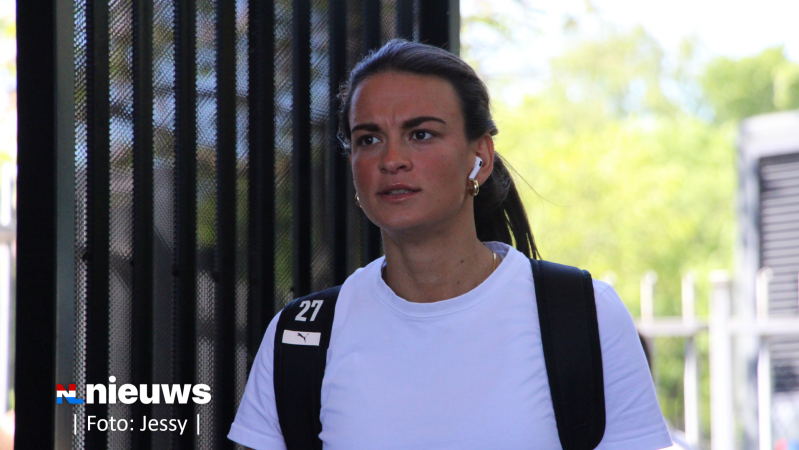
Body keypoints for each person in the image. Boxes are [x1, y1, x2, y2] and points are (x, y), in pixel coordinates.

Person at [228, 39, 673, 449]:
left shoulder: (584, 314)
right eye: (369, 139)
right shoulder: (301, 337)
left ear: (480, 158)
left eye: (421, 134)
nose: (391, 160)